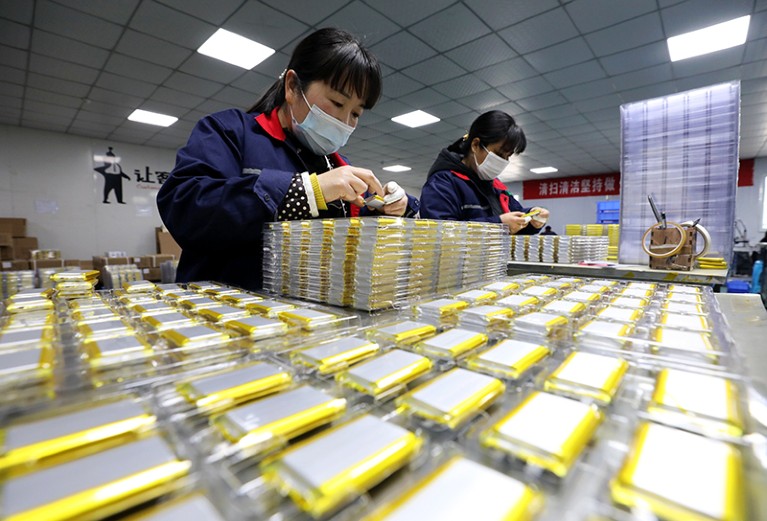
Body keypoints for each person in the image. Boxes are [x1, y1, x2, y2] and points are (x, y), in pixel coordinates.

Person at [157, 28, 419, 291]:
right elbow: (185, 208)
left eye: (356, 114)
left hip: (308, 318)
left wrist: (390, 209)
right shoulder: (230, 132)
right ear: (292, 87)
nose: (345, 122)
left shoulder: (337, 165)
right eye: (338, 103)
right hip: (223, 315)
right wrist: (304, 192)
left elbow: (352, 241)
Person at [419, 110, 549, 235]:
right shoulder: (443, 183)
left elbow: (516, 216)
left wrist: (532, 218)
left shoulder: (495, 186)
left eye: (507, 156)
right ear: (475, 145)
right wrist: (498, 225)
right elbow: (439, 232)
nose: (503, 161)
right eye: (499, 154)